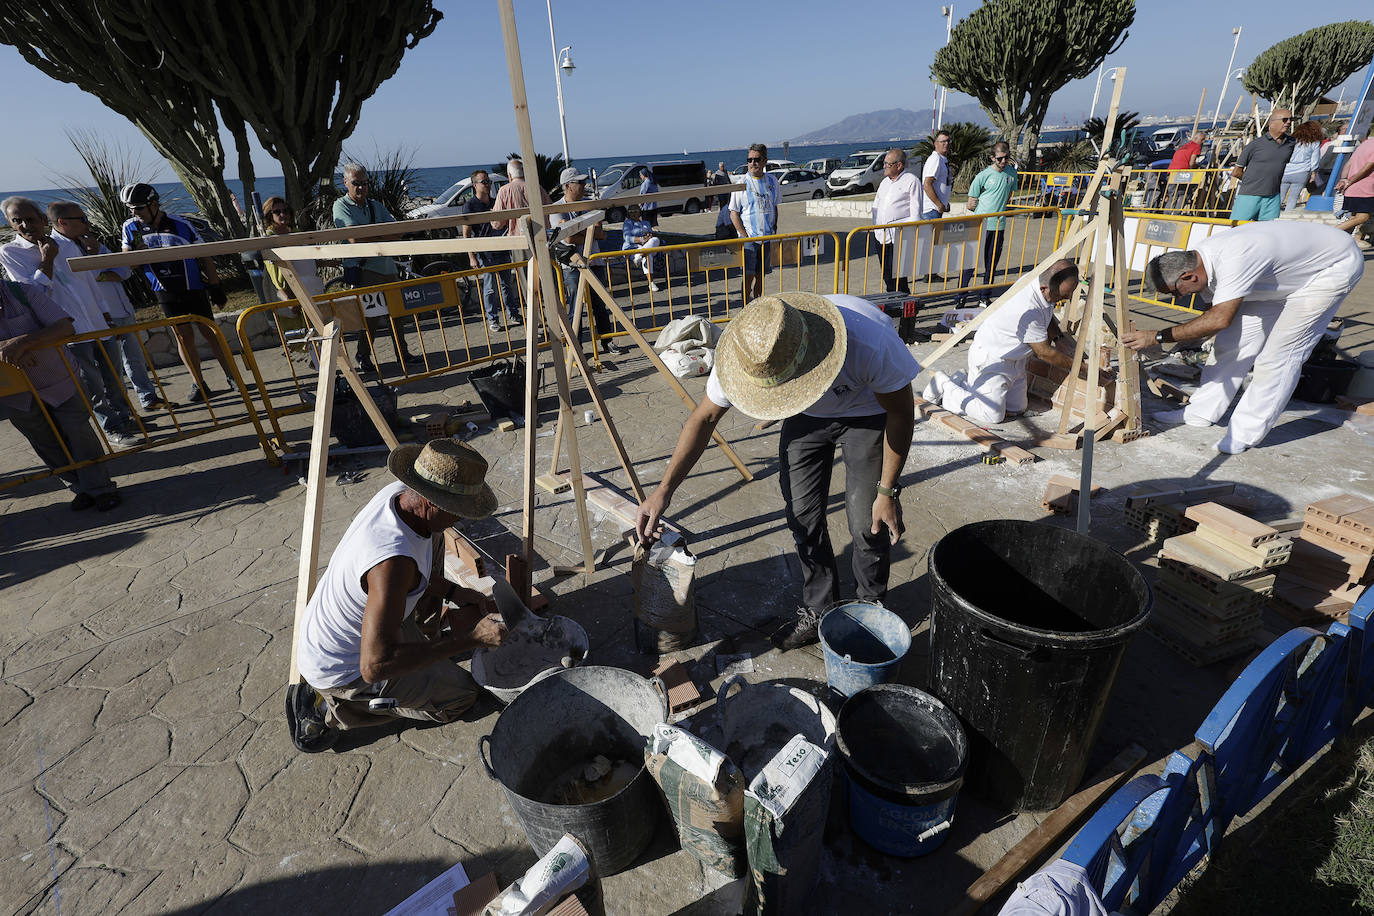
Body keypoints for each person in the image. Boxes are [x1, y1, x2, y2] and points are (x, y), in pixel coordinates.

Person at [635, 291, 920, 650]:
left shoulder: (869, 342)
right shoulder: (748, 354)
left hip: (867, 411)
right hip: (805, 414)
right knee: (802, 516)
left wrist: (887, 492)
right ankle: (819, 609)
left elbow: (901, 413)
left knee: (869, 520)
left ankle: (869, 608)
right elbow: (704, 417)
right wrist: (663, 491)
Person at [290, 439, 509, 750]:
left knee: (435, 541)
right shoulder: (392, 565)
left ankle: (418, 644)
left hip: (354, 625)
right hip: (345, 668)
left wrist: (453, 591)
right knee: (463, 696)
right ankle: (331, 710)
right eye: (459, 512)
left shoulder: (399, 496)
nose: (462, 519)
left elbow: (414, 571)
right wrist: (473, 639)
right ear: (433, 503)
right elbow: (374, 665)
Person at [1122, 222, 1364, 454]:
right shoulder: (1201, 262)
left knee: (1278, 356)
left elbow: (1219, 319)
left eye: (1174, 292)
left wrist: (1158, 337)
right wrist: (1180, 340)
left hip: (1330, 270)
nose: (1176, 298)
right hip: (1283, 275)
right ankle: (1201, 412)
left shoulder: (1234, 260)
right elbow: (1212, 317)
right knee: (1230, 343)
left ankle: (1244, 433)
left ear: (1188, 277)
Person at [2, 196, 140, 446]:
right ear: (10, 225)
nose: (25, 225)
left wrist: (105, 313)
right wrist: (47, 260)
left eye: (30, 219)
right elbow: (32, 293)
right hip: (66, 328)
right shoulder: (11, 253)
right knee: (91, 382)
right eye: (17, 221)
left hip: (96, 321)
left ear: (43, 220)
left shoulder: (65, 244)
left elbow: (89, 281)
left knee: (113, 375)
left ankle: (126, 418)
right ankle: (111, 428)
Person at [0, 279, 121, 511]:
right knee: (45, 443)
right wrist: (10, 349)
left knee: (80, 435)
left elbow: (64, 327)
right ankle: (80, 488)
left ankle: (101, 489)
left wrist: (25, 342)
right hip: (14, 393)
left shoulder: (22, 291)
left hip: (59, 381)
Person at [118, 182, 236, 405]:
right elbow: (126, 261)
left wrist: (215, 286)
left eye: (139, 208)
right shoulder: (130, 227)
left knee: (210, 333)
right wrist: (135, 255)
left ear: (154, 204)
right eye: (131, 208)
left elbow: (205, 256)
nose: (134, 213)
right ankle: (199, 383)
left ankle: (233, 377)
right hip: (164, 291)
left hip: (193, 287)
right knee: (183, 337)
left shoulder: (181, 224)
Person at [926, 260, 1081, 426]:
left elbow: (1046, 312)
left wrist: (1059, 338)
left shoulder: (1042, 281)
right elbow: (1043, 352)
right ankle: (944, 384)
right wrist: (1081, 367)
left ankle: (965, 381)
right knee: (991, 415)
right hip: (993, 359)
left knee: (1017, 408)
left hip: (1014, 359)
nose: (1068, 298)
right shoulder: (1028, 306)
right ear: (1044, 288)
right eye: (1062, 296)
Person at [69, 212, 166, 412]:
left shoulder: (95, 244)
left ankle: (148, 398)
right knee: (112, 367)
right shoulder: (68, 249)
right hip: (104, 314)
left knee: (134, 357)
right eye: (83, 220)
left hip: (123, 309)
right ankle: (125, 411)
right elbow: (90, 276)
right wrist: (99, 265)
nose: (88, 225)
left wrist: (102, 268)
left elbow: (124, 271)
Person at [332, 163, 418, 374]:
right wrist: (380, 235)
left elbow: (396, 232)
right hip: (364, 270)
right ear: (346, 183)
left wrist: (369, 236)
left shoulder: (375, 206)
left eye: (364, 183)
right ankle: (363, 355)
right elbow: (354, 238)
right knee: (371, 317)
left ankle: (402, 352)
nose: (360, 188)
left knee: (397, 314)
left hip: (387, 268)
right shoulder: (340, 206)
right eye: (356, 184)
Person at [549, 166, 620, 355]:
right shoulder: (557, 209)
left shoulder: (589, 204)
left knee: (600, 305)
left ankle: (607, 340)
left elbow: (600, 234)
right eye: (580, 182)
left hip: (593, 262)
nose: (584, 185)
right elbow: (568, 239)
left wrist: (575, 229)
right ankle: (576, 346)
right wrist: (587, 231)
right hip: (572, 266)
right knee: (575, 307)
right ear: (568, 186)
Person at [459, 170, 522, 335]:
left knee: (507, 284)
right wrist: (471, 256)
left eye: (489, 181)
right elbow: (466, 233)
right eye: (484, 182)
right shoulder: (470, 206)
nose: (487, 184)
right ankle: (493, 318)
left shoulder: (495, 202)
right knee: (490, 288)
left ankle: (513, 314)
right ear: (475, 185)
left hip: (501, 249)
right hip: (485, 253)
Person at [958, 142, 1019, 305]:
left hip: (999, 226)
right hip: (980, 225)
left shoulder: (1012, 174)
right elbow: (971, 202)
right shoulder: (983, 176)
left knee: (991, 264)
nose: (1004, 161)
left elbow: (1009, 194)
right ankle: (960, 297)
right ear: (993, 158)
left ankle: (984, 297)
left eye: (1007, 158)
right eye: (1000, 159)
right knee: (969, 264)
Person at [730, 143, 781, 303]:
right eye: (750, 159)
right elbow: (733, 213)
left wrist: (774, 229)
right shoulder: (741, 183)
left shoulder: (772, 181)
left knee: (760, 276)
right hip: (749, 240)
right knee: (748, 276)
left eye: (757, 159)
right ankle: (745, 307)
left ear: (764, 161)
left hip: (766, 238)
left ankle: (758, 306)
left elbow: (774, 207)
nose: (753, 163)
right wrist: (745, 237)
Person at [1228, 110, 1296, 221]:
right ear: (1272, 123)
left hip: (1273, 196)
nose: (1288, 122)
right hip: (1250, 195)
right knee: (1236, 229)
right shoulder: (1255, 145)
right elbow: (1236, 172)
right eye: (1285, 119)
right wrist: (1254, 181)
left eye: (1291, 119)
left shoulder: (1291, 143)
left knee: (1267, 231)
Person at [870, 148, 921, 295]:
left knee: (898, 275)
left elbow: (916, 211)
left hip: (899, 236)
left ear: (898, 165)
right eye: (884, 163)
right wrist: (876, 228)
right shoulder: (884, 182)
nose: (884, 166)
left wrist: (910, 234)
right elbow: (876, 205)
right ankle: (891, 300)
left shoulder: (911, 181)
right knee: (887, 274)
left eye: (887, 164)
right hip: (881, 235)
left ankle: (905, 305)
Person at [261, 196, 325, 300]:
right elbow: (274, 273)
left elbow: (307, 261)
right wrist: (287, 296)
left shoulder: (296, 232)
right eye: (277, 212)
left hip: (311, 287)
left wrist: (329, 262)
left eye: (285, 210)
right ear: (269, 215)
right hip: (288, 292)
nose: (282, 214)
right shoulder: (269, 237)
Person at [491, 157, 553, 239]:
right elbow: (551, 211)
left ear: (509, 175)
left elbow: (497, 224)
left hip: (518, 240)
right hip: (541, 237)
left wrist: (491, 215)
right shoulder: (537, 187)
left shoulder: (504, 191)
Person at [1334, 135, 1374, 248]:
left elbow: (1349, 163)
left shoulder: (1365, 144)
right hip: (1364, 189)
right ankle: (1330, 233)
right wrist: (1350, 182)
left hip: (1353, 189)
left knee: (1352, 220)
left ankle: (1340, 247)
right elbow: (1367, 168)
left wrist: (1344, 179)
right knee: (1363, 217)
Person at [1279, 121, 1324, 211]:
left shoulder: (1291, 140)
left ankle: (1273, 216)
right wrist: (1313, 174)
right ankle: (1287, 217)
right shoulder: (1315, 143)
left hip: (1286, 170)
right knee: (1293, 198)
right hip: (1302, 171)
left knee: (1280, 196)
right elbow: (1314, 161)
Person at [621, 204, 662, 291]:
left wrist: (649, 236)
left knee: (655, 239)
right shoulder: (627, 223)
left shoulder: (646, 223)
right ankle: (651, 283)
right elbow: (627, 238)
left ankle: (640, 255)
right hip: (633, 248)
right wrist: (642, 239)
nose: (633, 213)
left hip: (647, 246)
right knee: (648, 255)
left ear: (640, 212)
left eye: (636, 211)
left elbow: (650, 234)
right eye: (631, 212)